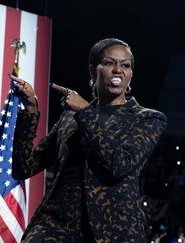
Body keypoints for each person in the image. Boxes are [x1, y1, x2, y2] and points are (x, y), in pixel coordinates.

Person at [9, 38, 167, 242]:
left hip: (113, 231)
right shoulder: (70, 117)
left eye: (125, 65)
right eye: (109, 63)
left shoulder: (147, 118)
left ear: (130, 75)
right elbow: (24, 167)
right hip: (56, 224)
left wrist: (85, 111)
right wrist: (30, 109)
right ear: (93, 71)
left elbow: (119, 164)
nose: (118, 70)